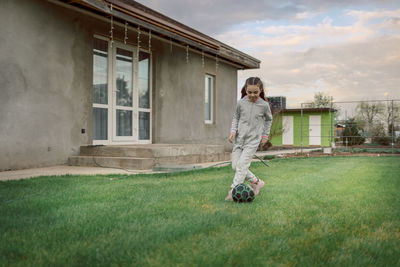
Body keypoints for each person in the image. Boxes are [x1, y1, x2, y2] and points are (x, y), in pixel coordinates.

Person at [225, 77, 273, 201]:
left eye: (255, 92)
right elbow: (236, 117)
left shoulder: (264, 105)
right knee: (235, 166)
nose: (252, 95)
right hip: (239, 140)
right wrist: (233, 131)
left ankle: (233, 190)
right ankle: (257, 182)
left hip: (252, 141)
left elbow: (269, 120)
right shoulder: (241, 103)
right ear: (245, 90)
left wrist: (264, 136)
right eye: (249, 92)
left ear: (260, 90)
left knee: (241, 165)